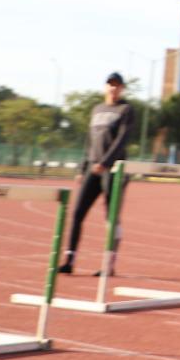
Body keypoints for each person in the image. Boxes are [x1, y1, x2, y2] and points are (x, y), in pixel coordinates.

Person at [57, 72, 135, 275]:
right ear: (105, 87)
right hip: (92, 168)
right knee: (77, 213)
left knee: (111, 217)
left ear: (122, 89)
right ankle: (69, 260)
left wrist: (106, 162)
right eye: (110, 85)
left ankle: (109, 265)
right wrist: (82, 168)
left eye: (117, 85)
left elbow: (122, 140)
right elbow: (89, 142)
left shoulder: (126, 110)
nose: (113, 88)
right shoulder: (96, 109)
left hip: (114, 170)